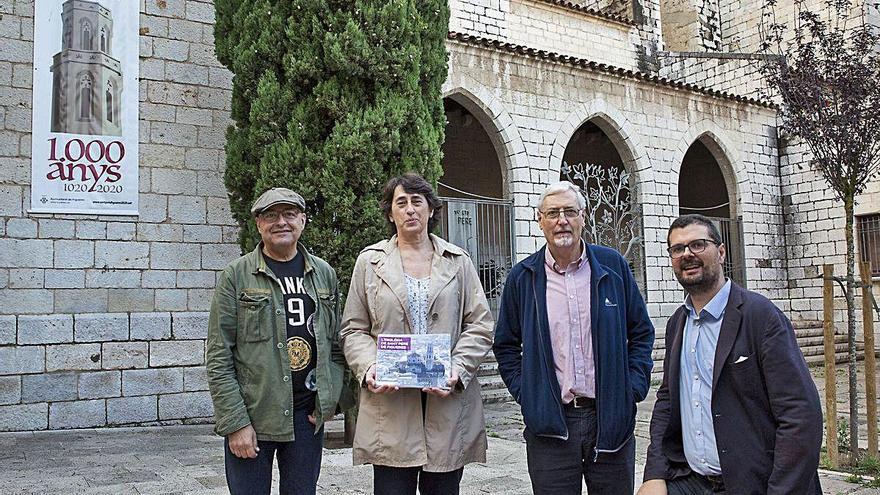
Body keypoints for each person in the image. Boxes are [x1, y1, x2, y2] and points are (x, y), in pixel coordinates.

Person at [639, 214, 823, 495]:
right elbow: (666, 401)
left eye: (698, 245)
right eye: (677, 249)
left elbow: (800, 415)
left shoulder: (760, 317)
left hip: (755, 483)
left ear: (721, 252)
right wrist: (654, 474)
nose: (687, 254)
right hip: (693, 481)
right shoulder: (679, 322)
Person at [493, 181, 655, 494]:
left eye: (569, 211)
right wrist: (528, 393)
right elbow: (506, 345)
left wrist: (631, 388)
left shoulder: (613, 266)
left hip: (609, 422)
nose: (561, 220)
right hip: (551, 426)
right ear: (539, 220)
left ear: (583, 217)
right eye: (553, 213)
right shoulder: (523, 277)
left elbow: (641, 332)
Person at [341, 173, 494, 495]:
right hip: (392, 401)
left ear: (430, 210)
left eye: (417, 202)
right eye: (401, 202)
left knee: (443, 488)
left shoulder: (458, 261)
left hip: (446, 400)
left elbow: (479, 325)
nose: (410, 210)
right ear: (390, 213)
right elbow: (354, 328)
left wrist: (457, 369)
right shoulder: (370, 262)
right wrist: (370, 367)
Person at [206, 187, 349, 495]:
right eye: (270, 215)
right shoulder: (237, 275)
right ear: (258, 224)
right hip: (254, 415)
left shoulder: (323, 273)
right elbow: (219, 355)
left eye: (289, 214)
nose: (280, 222)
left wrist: (329, 400)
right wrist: (235, 423)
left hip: (306, 418)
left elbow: (336, 346)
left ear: (303, 220)